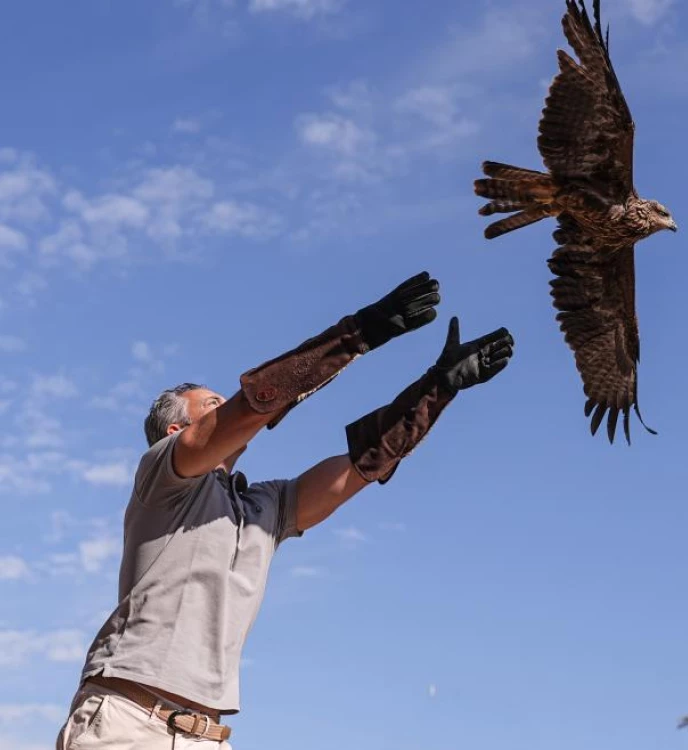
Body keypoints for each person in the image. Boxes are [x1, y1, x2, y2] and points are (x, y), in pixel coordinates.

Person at [55, 272, 515, 749]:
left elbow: (359, 468)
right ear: (175, 431)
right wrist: (359, 333)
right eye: (212, 406)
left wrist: (437, 389)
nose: (225, 409)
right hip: (129, 722)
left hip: (208, 737)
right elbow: (251, 409)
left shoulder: (262, 508)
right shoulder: (162, 478)